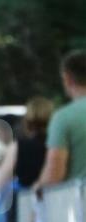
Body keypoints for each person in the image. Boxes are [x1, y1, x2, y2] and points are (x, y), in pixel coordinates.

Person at [33, 49, 86, 188]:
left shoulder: (63, 117)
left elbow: (54, 173)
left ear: (67, 78)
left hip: (78, 198)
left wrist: (36, 188)